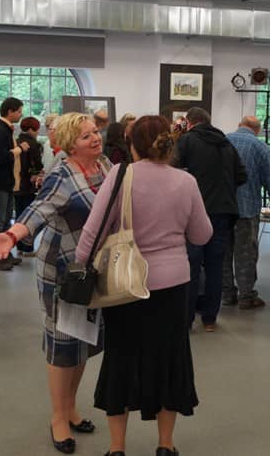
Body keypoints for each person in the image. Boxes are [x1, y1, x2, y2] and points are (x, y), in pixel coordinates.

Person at [75, 116, 212, 456]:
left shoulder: (120, 176)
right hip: (173, 286)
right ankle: (165, 445)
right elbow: (202, 235)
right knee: (169, 361)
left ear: (132, 145)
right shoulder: (186, 181)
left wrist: (83, 266)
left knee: (121, 359)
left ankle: (117, 448)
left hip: (125, 285)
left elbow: (92, 233)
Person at [0, 113, 110, 454]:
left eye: (95, 132)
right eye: (86, 136)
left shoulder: (105, 166)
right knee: (63, 344)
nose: (95, 139)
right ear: (70, 145)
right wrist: (12, 235)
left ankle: (71, 407)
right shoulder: (62, 173)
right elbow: (38, 210)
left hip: (91, 269)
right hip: (62, 270)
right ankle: (58, 417)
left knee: (83, 340)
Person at [172, 107, 247, 332]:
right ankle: (210, 319)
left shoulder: (186, 141)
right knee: (216, 265)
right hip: (223, 211)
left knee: (192, 264)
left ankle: (186, 320)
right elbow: (242, 175)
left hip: (196, 210)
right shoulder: (226, 144)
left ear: (189, 122)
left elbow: (172, 171)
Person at [223, 116, 270, 309]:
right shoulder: (260, 147)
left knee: (224, 253)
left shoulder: (222, 141)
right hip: (246, 210)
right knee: (246, 254)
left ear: (239, 125)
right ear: (257, 130)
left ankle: (227, 294)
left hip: (221, 208)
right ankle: (246, 296)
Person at [0, 97, 26, 271]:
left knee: (6, 221)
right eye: (19, 111)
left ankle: (4, 253)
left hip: (6, 183)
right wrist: (19, 149)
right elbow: (0, 157)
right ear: (10, 111)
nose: (20, 114)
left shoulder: (5, 130)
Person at [15, 116, 44, 257]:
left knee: (19, 215)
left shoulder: (16, 141)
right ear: (31, 129)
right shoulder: (33, 144)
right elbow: (37, 164)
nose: (37, 132)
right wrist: (40, 172)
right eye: (37, 129)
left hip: (16, 184)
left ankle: (19, 247)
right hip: (28, 184)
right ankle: (27, 248)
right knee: (28, 217)